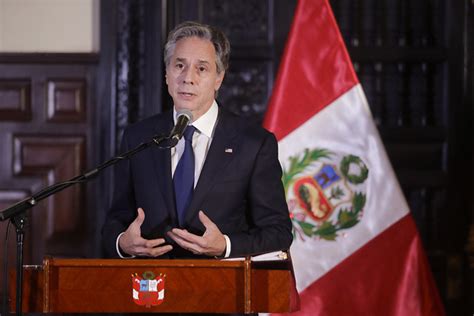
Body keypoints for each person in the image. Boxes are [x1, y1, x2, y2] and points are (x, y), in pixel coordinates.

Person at [102, 21, 292, 260]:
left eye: (201, 69)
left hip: (223, 287)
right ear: (166, 73)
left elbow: (279, 233)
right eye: (179, 65)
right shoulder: (138, 137)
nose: (187, 78)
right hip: (152, 287)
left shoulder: (253, 144)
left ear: (219, 78)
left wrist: (225, 245)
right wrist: (122, 243)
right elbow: (115, 220)